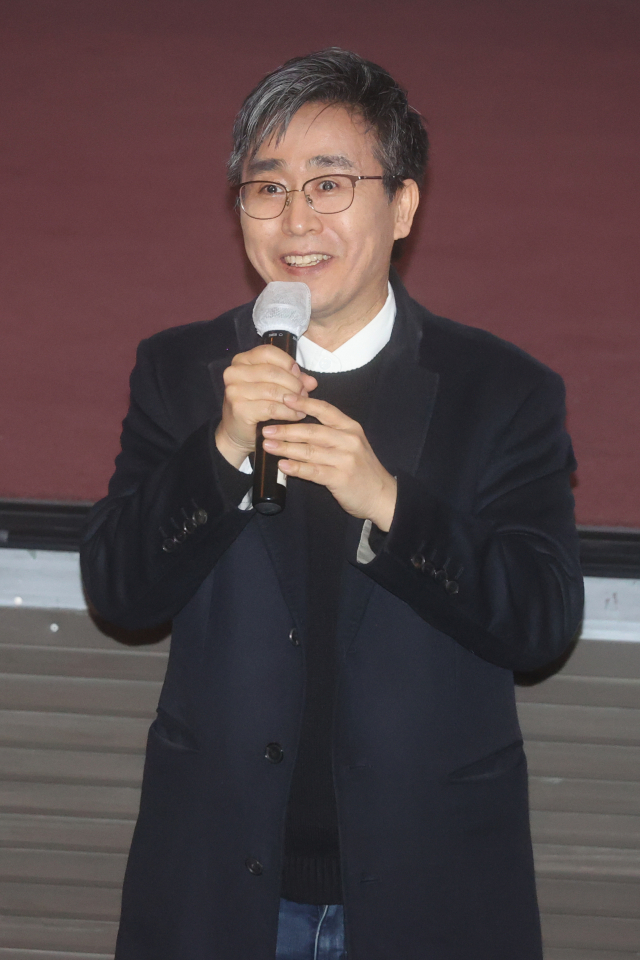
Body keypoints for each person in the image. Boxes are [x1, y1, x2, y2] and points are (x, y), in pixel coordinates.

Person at [80, 48, 584, 960]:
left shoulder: (502, 390)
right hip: (218, 888)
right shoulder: (181, 371)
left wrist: (388, 502)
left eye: (329, 184)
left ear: (403, 206)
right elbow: (120, 593)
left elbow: (541, 623)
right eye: (267, 187)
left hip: (432, 889)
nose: (295, 218)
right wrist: (223, 449)